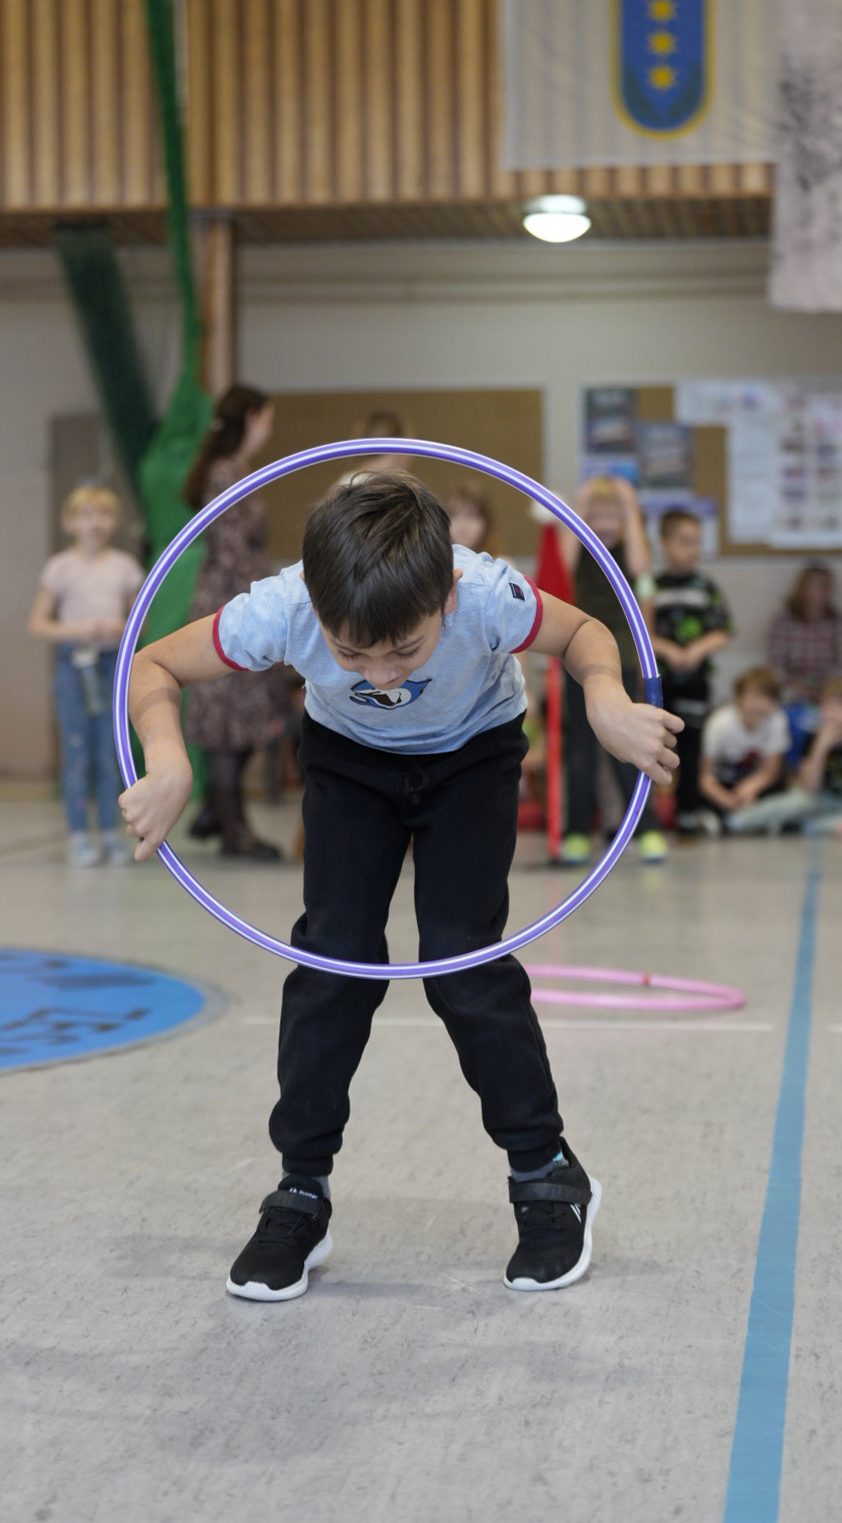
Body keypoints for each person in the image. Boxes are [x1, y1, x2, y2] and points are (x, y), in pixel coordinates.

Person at [120, 472, 682, 1300]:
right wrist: (170, 762)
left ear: (446, 595)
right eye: (351, 654)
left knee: (462, 961)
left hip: (472, 756)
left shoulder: (484, 592)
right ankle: (300, 1188)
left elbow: (585, 632)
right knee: (333, 961)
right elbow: (154, 664)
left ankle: (546, 1173)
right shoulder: (283, 606)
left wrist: (604, 696)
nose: (381, 676)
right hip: (349, 765)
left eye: (405, 651)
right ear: (314, 605)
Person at [183, 385, 287, 860]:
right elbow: (231, 550)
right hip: (229, 603)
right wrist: (265, 602)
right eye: (266, 419)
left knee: (252, 715)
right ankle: (232, 829)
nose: (269, 429)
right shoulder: (225, 473)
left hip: (241, 597)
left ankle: (218, 811)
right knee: (228, 724)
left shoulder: (237, 471)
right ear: (250, 417)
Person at [28, 483, 144, 866]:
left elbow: (140, 621)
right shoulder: (60, 567)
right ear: (70, 523)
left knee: (109, 752)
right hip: (74, 666)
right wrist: (80, 630)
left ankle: (110, 832)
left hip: (111, 665)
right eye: (87, 514)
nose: (96, 522)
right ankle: (79, 835)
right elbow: (38, 623)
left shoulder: (124, 567)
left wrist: (118, 629)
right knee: (77, 752)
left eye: (105, 514)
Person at [557, 475, 667, 865]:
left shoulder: (629, 550)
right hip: (579, 654)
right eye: (596, 516)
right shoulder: (581, 550)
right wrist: (581, 505)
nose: (603, 524)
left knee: (627, 744)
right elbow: (561, 565)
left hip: (624, 656)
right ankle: (577, 832)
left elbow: (640, 565)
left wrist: (629, 506)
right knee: (580, 750)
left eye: (612, 517)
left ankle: (646, 827)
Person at [650, 509, 733, 832]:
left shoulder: (705, 587)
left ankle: (687, 813)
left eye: (697, 542)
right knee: (656, 746)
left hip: (695, 683)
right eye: (685, 542)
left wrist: (696, 650)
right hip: (661, 683)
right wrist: (669, 650)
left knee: (692, 747)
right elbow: (642, 631)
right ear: (665, 544)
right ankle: (651, 816)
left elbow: (722, 630)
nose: (693, 549)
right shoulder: (652, 587)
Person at [725, 677, 842, 838]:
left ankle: (806, 827)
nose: (834, 713)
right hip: (815, 798)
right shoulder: (812, 738)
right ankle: (737, 821)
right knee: (788, 804)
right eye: (829, 705)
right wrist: (820, 748)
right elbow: (809, 787)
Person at [766, 563, 842, 764]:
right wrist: (800, 687)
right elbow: (776, 666)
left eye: (828, 586)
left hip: (829, 692)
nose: (824, 591)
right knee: (792, 719)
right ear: (803, 588)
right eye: (819, 585)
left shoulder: (840, 622)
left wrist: (824, 689)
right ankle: (792, 768)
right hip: (792, 692)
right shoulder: (783, 621)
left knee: (836, 712)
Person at [698, 667, 790, 829]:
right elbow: (706, 777)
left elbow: (771, 771)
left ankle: (745, 818)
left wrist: (751, 787)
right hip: (724, 784)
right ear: (739, 698)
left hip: (756, 785)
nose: (760, 705)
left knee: (781, 788)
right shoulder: (719, 723)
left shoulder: (777, 720)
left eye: (768, 698)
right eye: (755, 697)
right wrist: (727, 800)